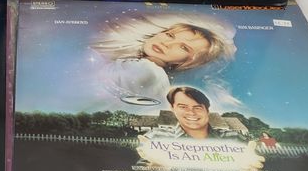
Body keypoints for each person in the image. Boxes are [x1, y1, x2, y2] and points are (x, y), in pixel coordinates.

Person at [91, 14, 236, 106]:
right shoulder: (142, 65)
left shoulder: (148, 71)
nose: (167, 44)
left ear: (186, 62)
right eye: (170, 35)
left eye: (184, 47)